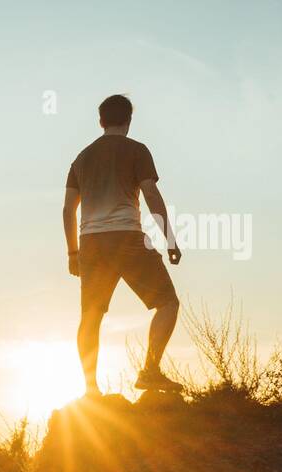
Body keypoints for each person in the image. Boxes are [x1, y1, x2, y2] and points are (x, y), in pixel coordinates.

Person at [62, 94, 183, 396]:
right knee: (168, 303)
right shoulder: (136, 151)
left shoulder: (82, 157)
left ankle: (90, 389)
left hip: (90, 243)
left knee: (91, 316)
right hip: (126, 236)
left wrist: (73, 252)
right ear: (128, 120)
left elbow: (67, 209)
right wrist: (169, 238)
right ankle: (150, 371)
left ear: (100, 121)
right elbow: (151, 195)